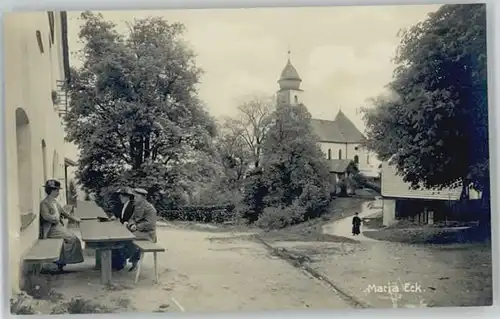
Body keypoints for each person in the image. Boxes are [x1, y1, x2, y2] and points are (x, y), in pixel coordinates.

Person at [39, 179, 84, 271]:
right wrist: (55, 218)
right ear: (52, 191)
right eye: (57, 190)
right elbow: (46, 216)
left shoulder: (55, 202)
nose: (58, 192)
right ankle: (60, 262)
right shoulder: (44, 203)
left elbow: (63, 213)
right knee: (72, 239)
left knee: (74, 239)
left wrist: (76, 219)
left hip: (58, 226)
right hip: (51, 229)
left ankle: (61, 261)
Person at [125, 187, 158, 271]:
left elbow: (150, 224)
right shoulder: (137, 206)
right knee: (124, 235)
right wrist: (132, 224)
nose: (134, 199)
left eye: (136, 197)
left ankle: (129, 258)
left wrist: (137, 227)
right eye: (134, 197)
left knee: (126, 237)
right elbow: (131, 219)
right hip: (138, 232)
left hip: (148, 234)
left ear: (143, 198)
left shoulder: (150, 209)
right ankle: (130, 258)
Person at [110, 187, 136, 271]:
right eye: (120, 196)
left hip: (129, 229)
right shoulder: (121, 204)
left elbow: (134, 218)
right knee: (113, 238)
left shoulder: (133, 206)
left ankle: (121, 261)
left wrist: (127, 223)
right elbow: (117, 213)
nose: (120, 198)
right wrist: (114, 216)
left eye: (122, 197)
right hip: (122, 228)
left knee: (118, 242)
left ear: (127, 197)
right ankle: (118, 262)